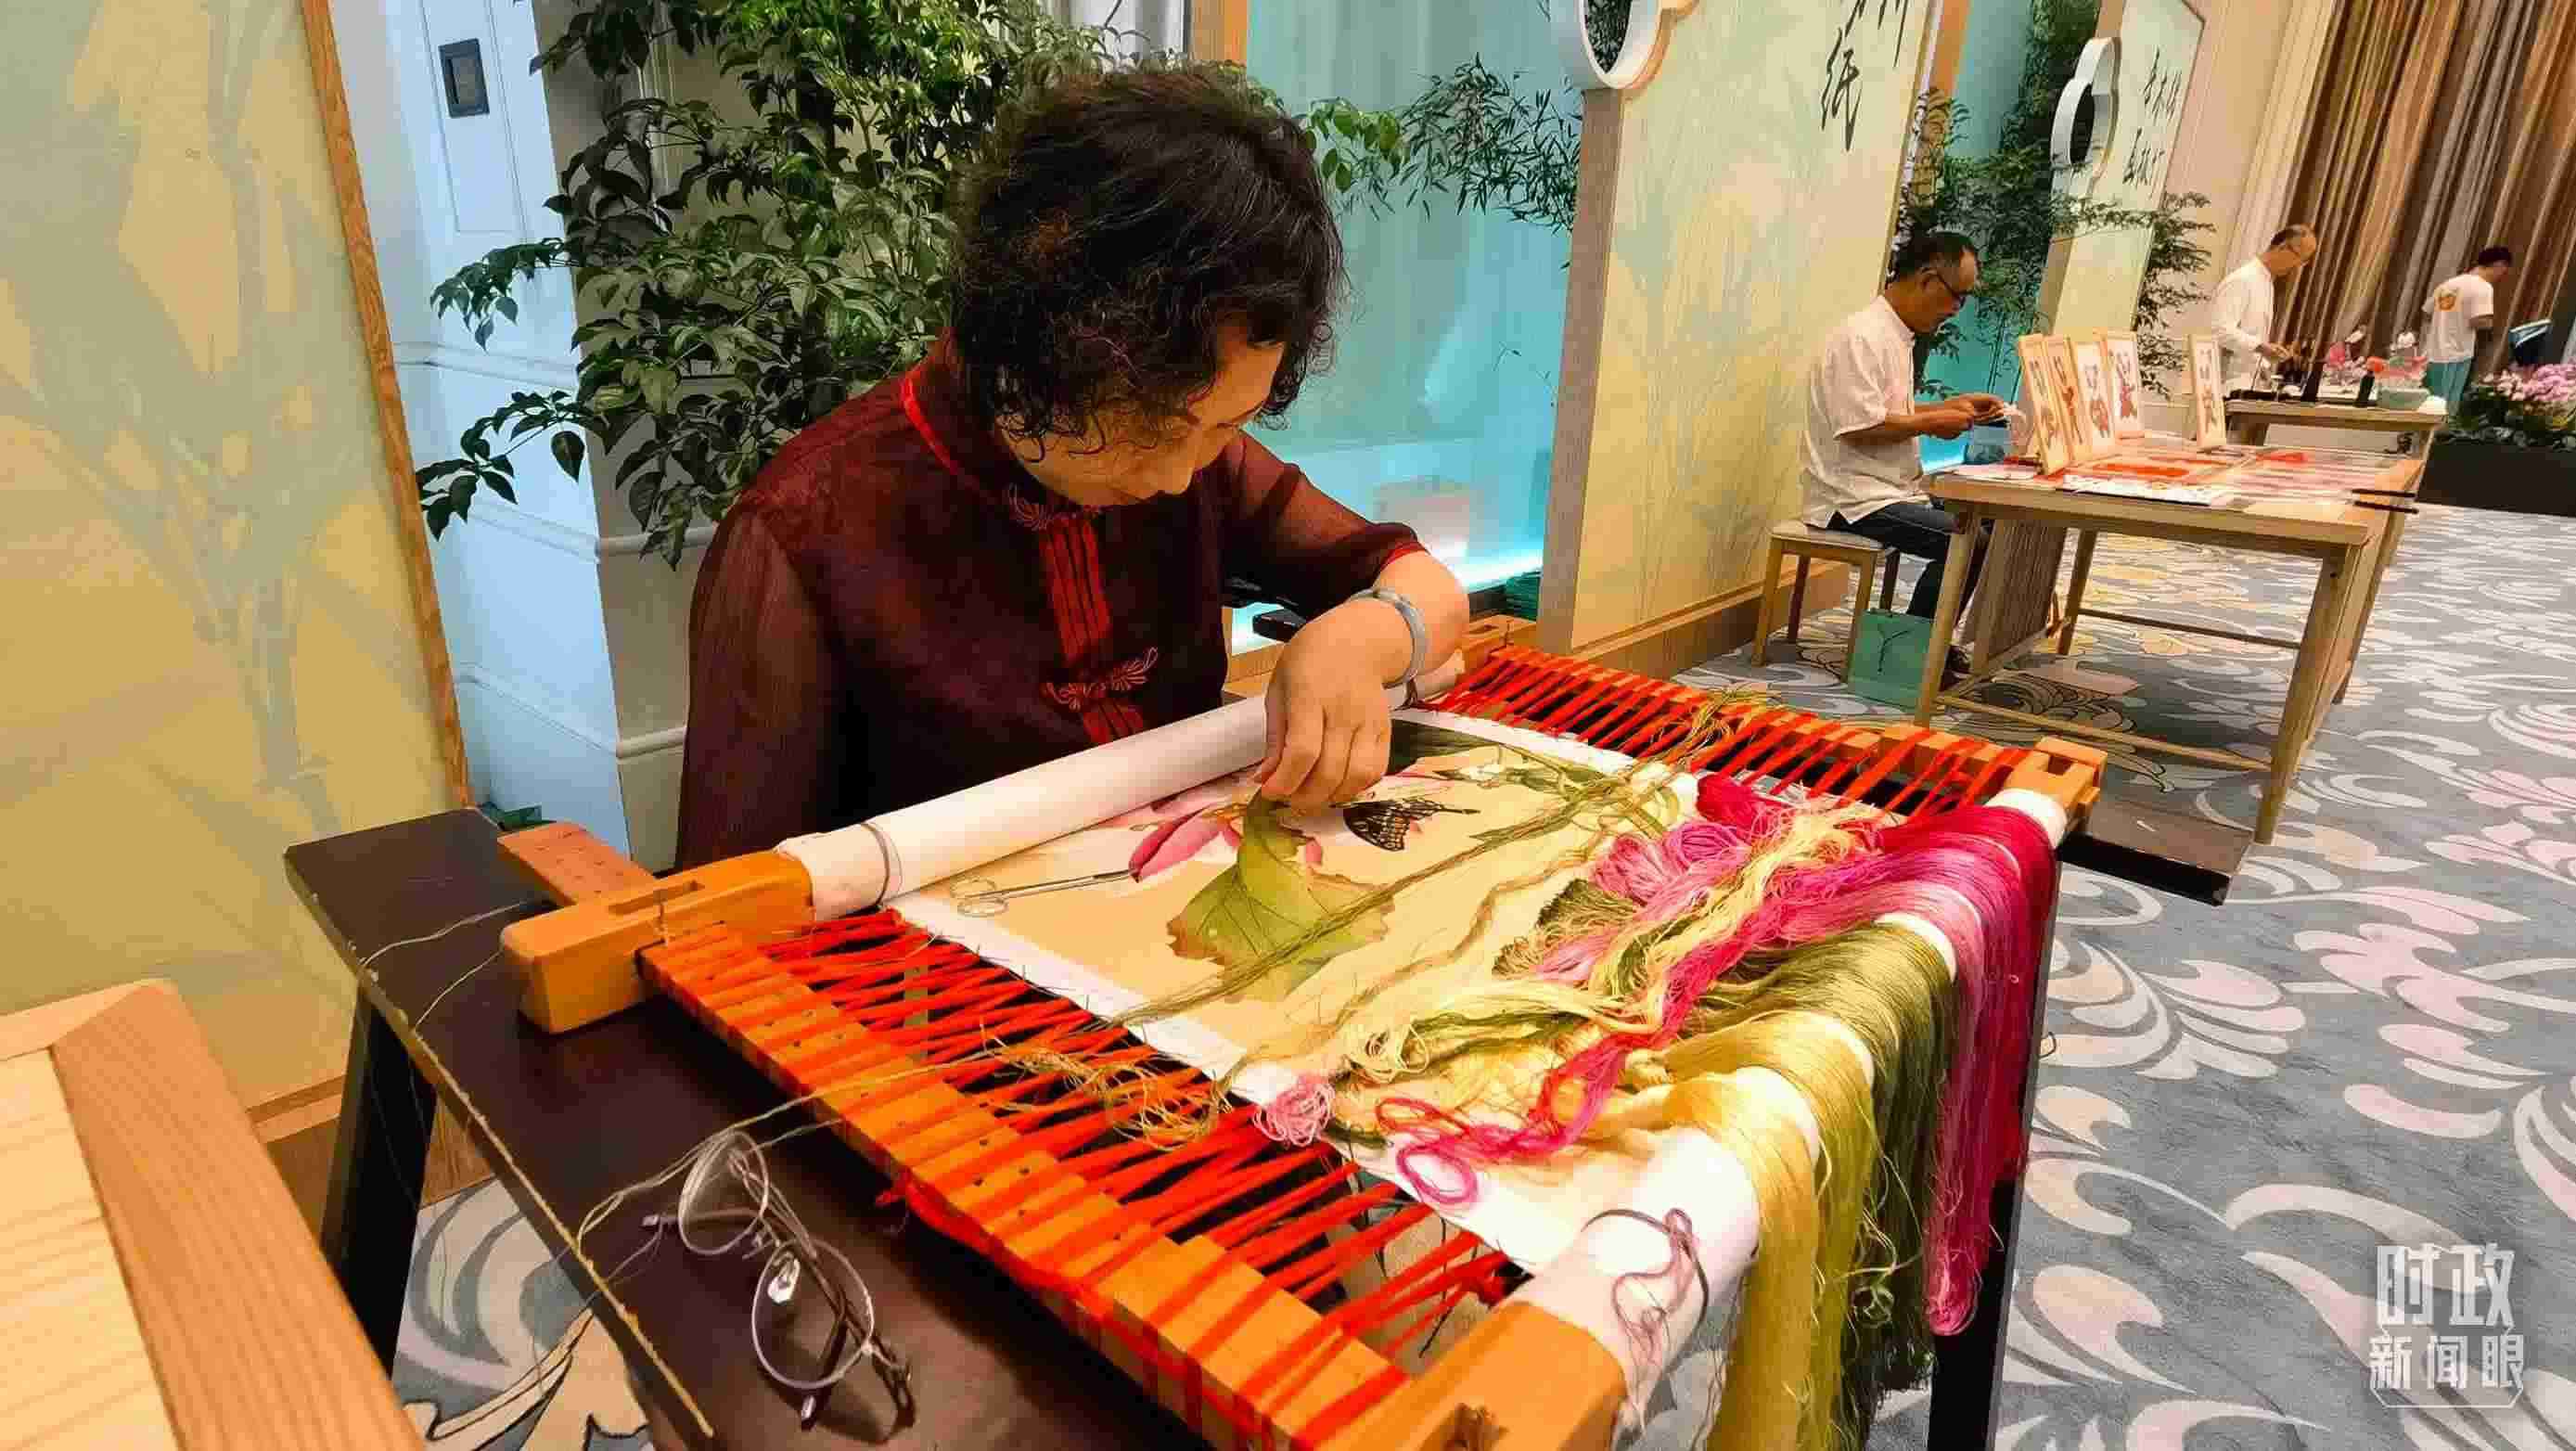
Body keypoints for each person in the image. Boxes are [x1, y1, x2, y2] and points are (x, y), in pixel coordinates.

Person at [674, 61, 1467, 870]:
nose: (1178, 476)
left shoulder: (1204, 462)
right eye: (1152, 426)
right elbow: (734, 898)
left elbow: (1424, 587)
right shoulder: (805, 531)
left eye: (1226, 424)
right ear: (1040, 341)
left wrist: (1357, 640)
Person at [1800, 229, 2005, 626]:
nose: (1957, 309)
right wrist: (1931, 423)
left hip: (1888, 489)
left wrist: (1949, 407)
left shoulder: (1895, 335)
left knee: (1991, 517)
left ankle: (1929, 643)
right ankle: (1916, 650)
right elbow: (1857, 426)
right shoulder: (1861, 337)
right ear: (1927, 280)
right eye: (1958, 296)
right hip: (1852, 499)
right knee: (1965, 540)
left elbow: (1885, 412)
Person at [2209, 224, 2321, 391]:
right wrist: (2262, 347)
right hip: (2226, 384)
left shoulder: (2265, 281)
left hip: (2246, 383)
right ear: (2283, 247)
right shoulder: (2243, 280)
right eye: (2301, 258)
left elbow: (2250, 333)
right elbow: (2219, 330)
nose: (2298, 267)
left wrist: (2263, 366)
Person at [2422, 246, 2513, 411]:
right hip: (2457, 354)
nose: (2501, 277)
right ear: (2499, 265)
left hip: (2433, 354)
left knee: (2429, 405)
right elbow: (2479, 321)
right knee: (2446, 409)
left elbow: (2427, 314)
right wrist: (2491, 324)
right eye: (2503, 271)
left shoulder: (2448, 284)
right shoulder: (2483, 287)